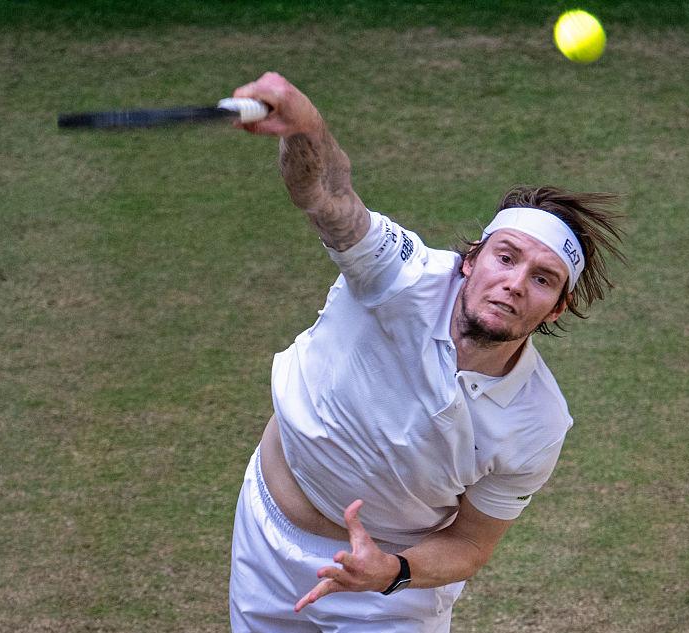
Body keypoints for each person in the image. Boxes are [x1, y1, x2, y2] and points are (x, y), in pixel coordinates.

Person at [227, 72, 625, 632]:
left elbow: (471, 543)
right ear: (471, 260)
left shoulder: (538, 423)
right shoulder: (399, 275)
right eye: (506, 258)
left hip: (386, 590)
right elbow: (328, 195)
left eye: (542, 279)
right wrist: (305, 126)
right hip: (264, 537)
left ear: (557, 308)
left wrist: (390, 571)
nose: (514, 284)